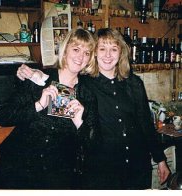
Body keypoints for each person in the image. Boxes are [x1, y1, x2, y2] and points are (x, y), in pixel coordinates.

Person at [16, 28, 170, 190]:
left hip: (137, 167)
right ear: (94, 53)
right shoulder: (83, 84)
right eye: (102, 49)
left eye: (114, 49)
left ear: (121, 53)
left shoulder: (134, 83)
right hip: (102, 171)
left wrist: (160, 160)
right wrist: (33, 75)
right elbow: (56, 84)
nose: (108, 55)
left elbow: (145, 124)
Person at [0, 28, 101, 189]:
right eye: (76, 49)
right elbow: (2, 117)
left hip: (56, 177)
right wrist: (39, 105)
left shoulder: (86, 94)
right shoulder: (39, 78)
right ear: (64, 51)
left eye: (87, 53)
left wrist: (79, 121)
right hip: (19, 170)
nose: (81, 57)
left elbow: (93, 144)